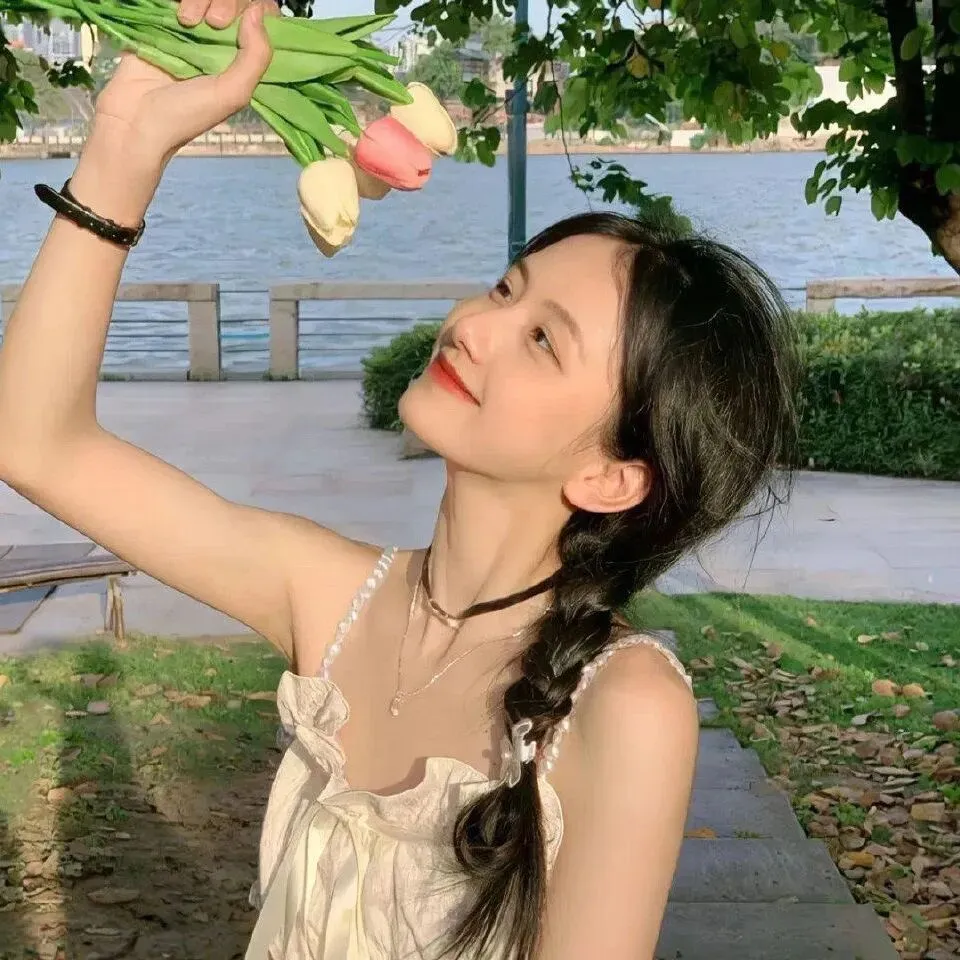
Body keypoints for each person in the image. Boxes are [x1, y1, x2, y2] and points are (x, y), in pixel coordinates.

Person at [0, 0, 800, 957]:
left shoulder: (623, 705)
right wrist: (124, 149)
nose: (474, 325)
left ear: (614, 478)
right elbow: (35, 442)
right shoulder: (328, 595)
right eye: (506, 288)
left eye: (542, 340)